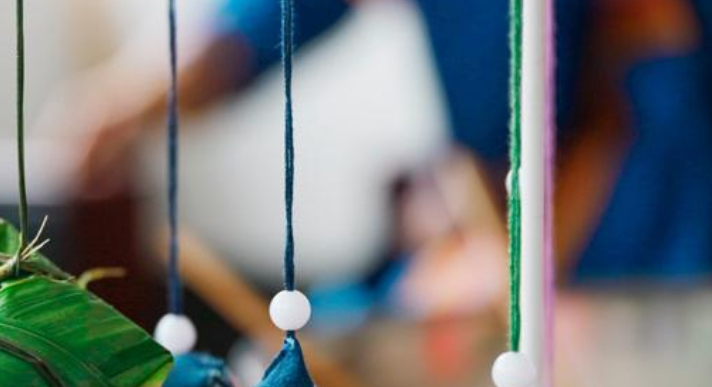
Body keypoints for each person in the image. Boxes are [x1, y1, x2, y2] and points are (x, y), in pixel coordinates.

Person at [71, 0, 712, 285]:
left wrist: (522, 265)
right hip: (510, 231)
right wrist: (129, 100)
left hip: (649, 253)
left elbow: (642, 108)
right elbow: (259, 24)